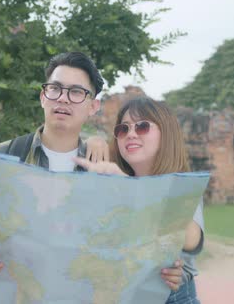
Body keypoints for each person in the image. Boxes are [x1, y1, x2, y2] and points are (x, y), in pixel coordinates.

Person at [0, 53, 182, 303]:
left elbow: (135, 243)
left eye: (76, 92)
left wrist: (164, 267)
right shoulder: (5, 157)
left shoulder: (108, 170)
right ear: (43, 97)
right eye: (55, 89)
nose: (63, 98)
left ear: (93, 106)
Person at [74, 96, 204, 304]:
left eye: (142, 126)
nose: (131, 134)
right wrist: (94, 141)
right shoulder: (113, 184)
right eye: (122, 129)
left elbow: (190, 239)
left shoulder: (180, 185)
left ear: (166, 133)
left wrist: (129, 186)